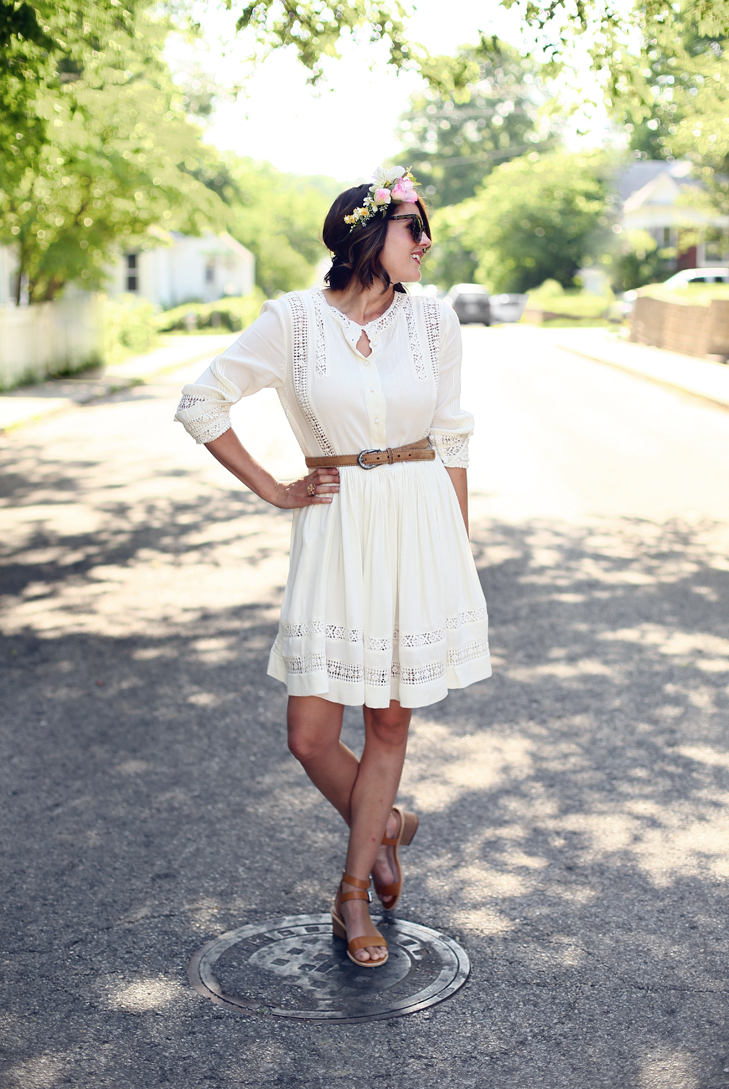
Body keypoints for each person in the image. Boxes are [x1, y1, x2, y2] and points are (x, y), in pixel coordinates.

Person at [175, 166, 491, 967]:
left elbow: (451, 437)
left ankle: (354, 891)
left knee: (388, 720)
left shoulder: (433, 324)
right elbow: (201, 402)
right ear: (366, 234)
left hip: (418, 523)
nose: (426, 241)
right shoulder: (292, 322)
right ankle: (383, 823)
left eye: (426, 227)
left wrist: (456, 550)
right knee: (310, 734)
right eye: (412, 227)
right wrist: (276, 488)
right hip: (337, 526)